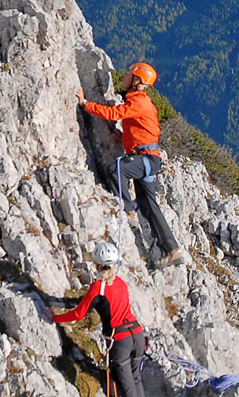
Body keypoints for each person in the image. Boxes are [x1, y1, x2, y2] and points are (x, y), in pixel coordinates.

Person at [77, 62, 185, 266]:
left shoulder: (138, 102)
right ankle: (172, 250)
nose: (125, 76)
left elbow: (113, 114)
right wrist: (125, 137)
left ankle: (128, 210)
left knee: (115, 169)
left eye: (130, 74)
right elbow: (142, 128)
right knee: (149, 205)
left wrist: (85, 104)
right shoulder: (139, 101)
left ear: (137, 81)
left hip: (145, 158)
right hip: (147, 158)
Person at [48, 241, 153, 397]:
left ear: (96, 265)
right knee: (135, 379)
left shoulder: (98, 288)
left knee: (126, 387)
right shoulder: (121, 283)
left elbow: (79, 314)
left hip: (120, 341)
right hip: (137, 335)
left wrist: (56, 318)